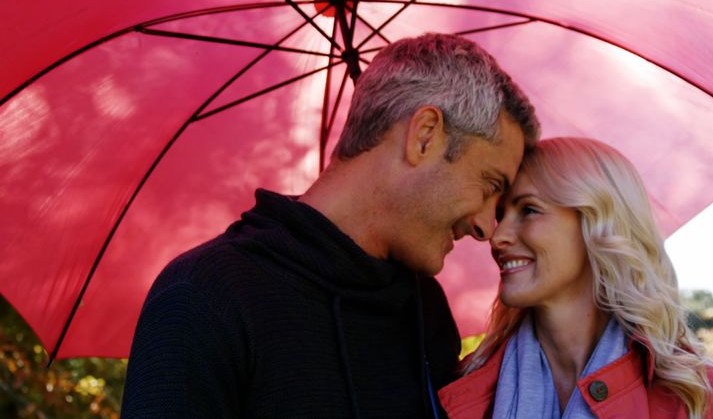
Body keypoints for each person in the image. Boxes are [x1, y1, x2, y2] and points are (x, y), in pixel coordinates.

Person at [122, 33, 540, 418]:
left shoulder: (424, 309)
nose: (487, 228)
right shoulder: (205, 296)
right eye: (489, 185)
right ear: (425, 136)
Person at [439, 137, 713, 419]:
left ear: (597, 224)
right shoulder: (460, 393)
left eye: (529, 210)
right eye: (500, 215)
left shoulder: (706, 403)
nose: (498, 237)